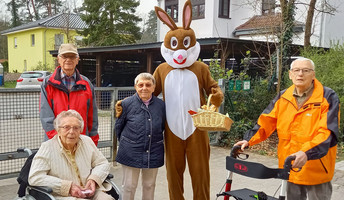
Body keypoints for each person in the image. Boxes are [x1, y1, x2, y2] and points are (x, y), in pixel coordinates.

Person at [235, 57, 340, 200]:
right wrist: (248, 140)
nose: (300, 74)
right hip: (291, 166)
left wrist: (307, 152)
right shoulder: (284, 96)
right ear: (290, 75)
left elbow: (327, 133)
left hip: (316, 168)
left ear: (313, 74)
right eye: (296, 70)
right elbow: (266, 121)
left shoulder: (327, 97)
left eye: (306, 70)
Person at [28, 110, 113, 200]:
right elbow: (35, 177)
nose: (71, 132)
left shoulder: (87, 141)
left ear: (81, 130)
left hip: (89, 190)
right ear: (58, 130)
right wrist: (67, 186)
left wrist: (94, 179)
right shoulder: (47, 147)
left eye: (76, 128)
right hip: (64, 195)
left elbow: (102, 163)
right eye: (66, 127)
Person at [115, 73, 165, 200]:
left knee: (149, 185)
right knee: (129, 186)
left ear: (154, 87)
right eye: (141, 85)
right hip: (130, 151)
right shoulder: (126, 104)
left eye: (148, 85)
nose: (144, 88)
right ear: (135, 87)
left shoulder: (161, 105)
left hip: (153, 151)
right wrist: (129, 143)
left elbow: (163, 126)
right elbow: (118, 127)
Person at [40, 43, 99, 146]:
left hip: (81, 141)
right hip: (56, 143)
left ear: (77, 60)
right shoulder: (48, 84)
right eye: (64, 56)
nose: (68, 59)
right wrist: (58, 141)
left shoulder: (86, 84)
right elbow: (46, 117)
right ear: (58, 59)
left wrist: (92, 142)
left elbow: (92, 116)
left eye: (72, 56)